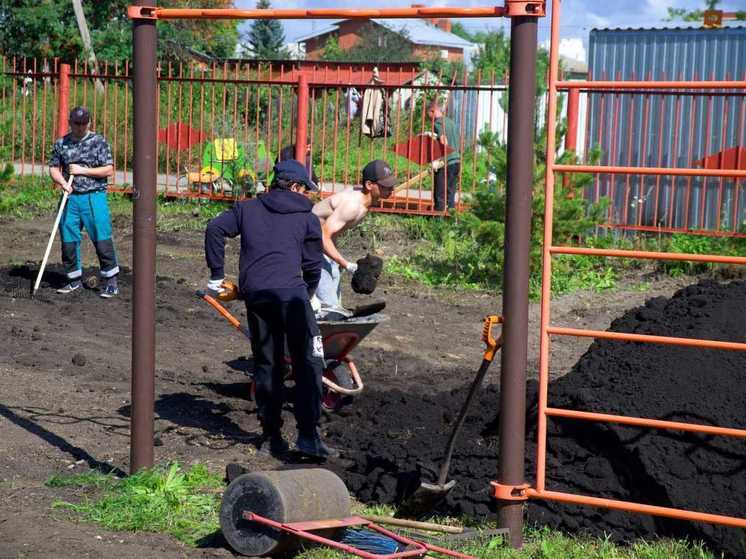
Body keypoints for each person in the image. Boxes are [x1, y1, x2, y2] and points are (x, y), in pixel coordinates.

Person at [204, 159, 334, 459]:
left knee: (267, 363)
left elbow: (214, 229)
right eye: (306, 189)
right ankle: (308, 437)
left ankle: (271, 436)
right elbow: (313, 266)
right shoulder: (307, 218)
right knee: (309, 362)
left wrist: (216, 277)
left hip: (257, 298)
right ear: (296, 186)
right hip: (292, 298)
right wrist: (308, 294)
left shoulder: (247, 209)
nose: (307, 196)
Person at [48, 106, 119, 298]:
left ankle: (110, 281)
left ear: (89, 122)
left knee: (101, 237)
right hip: (70, 197)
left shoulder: (98, 142)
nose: (80, 127)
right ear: (70, 122)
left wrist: (82, 170)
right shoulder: (62, 143)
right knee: (68, 239)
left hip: (93, 196)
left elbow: (108, 170)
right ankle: (73, 280)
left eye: (83, 123)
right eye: (76, 123)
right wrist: (62, 182)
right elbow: (53, 167)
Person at [311, 160, 397, 312]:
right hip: (306, 243)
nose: (391, 189)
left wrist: (335, 259)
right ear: (369, 185)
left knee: (334, 282)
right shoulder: (353, 206)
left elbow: (329, 231)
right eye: (385, 186)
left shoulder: (365, 199)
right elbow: (323, 235)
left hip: (316, 242)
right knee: (328, 305)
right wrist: (346, 264)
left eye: (391, 185)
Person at [426, 99, 461, 212]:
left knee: (440, 194)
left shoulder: (438, 123)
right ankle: (451, 218)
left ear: (432, 111)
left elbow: (443, 141)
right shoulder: (451, 122)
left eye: (428, 115)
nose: (429, 119)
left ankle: (438, 220)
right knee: (450, 193)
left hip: (446, 162)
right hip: (456, 161)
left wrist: (434, 138)